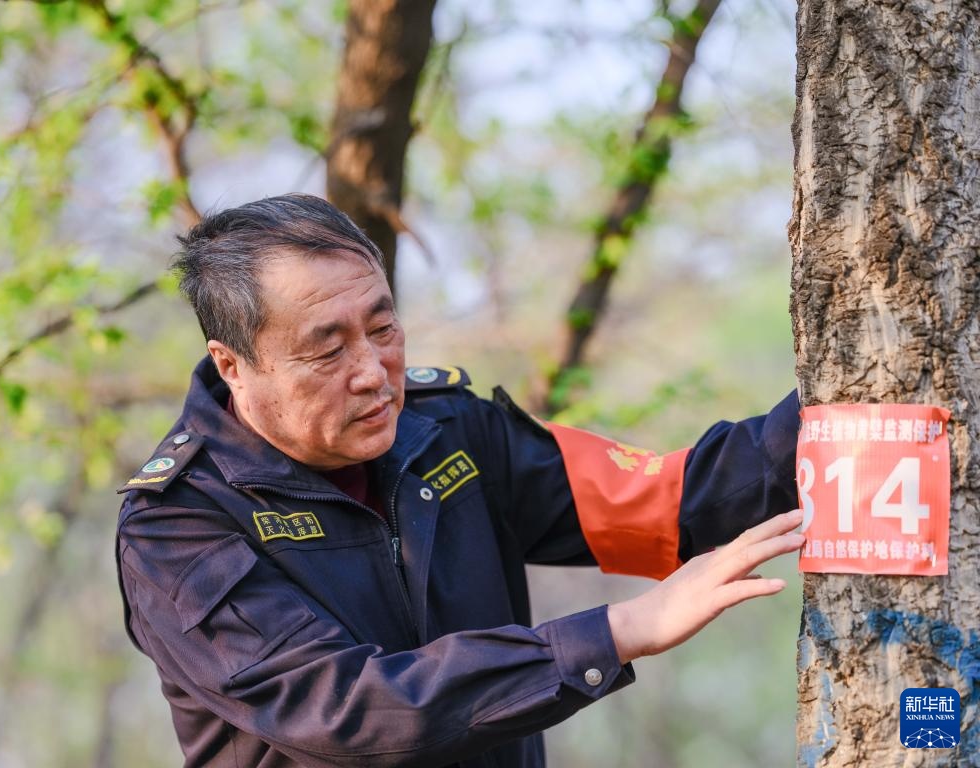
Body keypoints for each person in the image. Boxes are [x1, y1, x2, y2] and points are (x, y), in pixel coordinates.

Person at [115, 193, 804, 768]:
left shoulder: (447, 431)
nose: (371, 371)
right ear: (233, 364)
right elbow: (346, 708)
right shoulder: (179, 524)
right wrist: (620, 631)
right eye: (327, 348)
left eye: (383, 328)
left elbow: (669, 500)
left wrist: (846, 412)